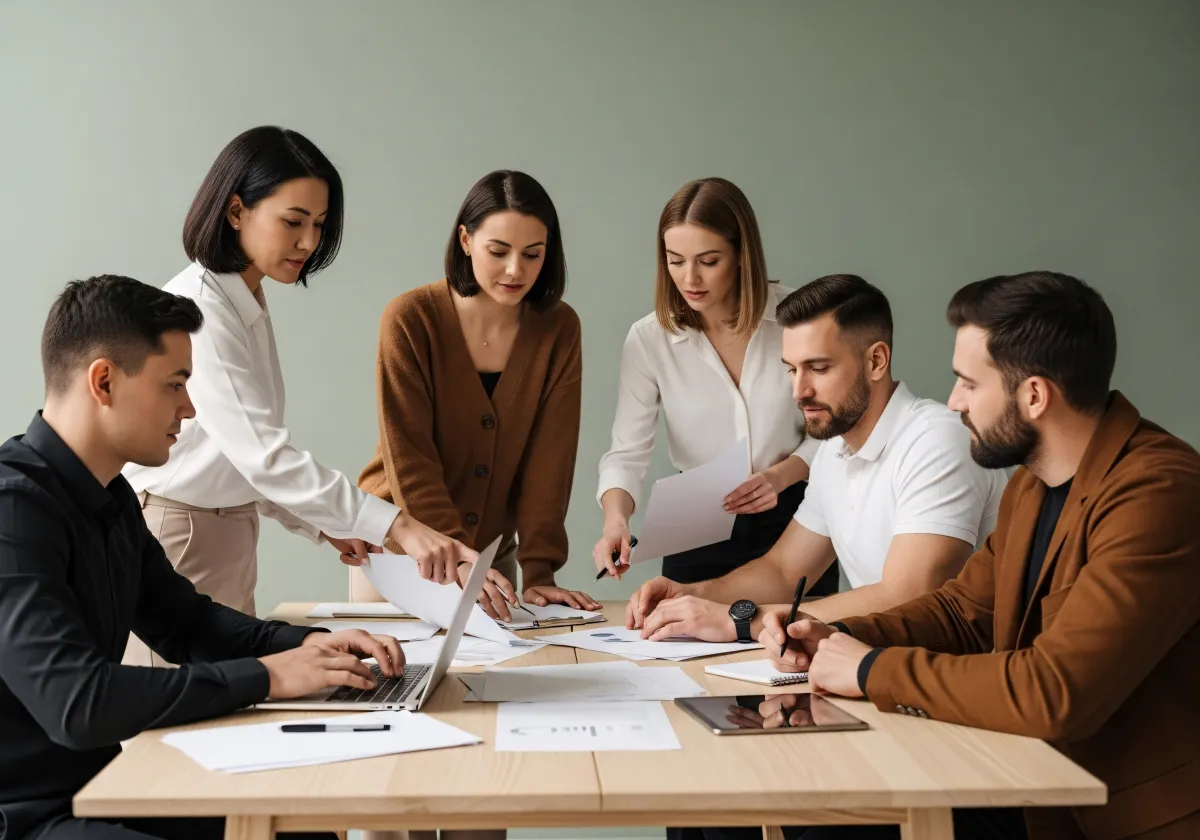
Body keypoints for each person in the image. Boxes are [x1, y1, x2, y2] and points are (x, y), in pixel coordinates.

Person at [770, 272, 1200, 839]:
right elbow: (961, 614)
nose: (954, 402)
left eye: (969, 384)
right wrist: (836, 634)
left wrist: (871, 668)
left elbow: (1055, 691)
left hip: (1125, 819)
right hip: (1031, 785)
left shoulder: (1160, 492)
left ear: (1035, 395)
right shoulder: (1034, 482)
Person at [0, 275, 405, 840]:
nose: (190, 409)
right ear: (104, 381)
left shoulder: (110, 494)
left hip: (102, 791)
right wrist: (266, 677)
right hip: (26, 818)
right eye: (175, 384)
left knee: (304, 826)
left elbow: (187, 623)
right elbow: (78, 703)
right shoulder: (13, 510)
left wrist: (307, 644)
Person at [123, 127, 472, 666]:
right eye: (293, 221)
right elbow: (263, 456)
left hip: (227, 528)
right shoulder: (201, 310)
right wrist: (396, 524)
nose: (309, 242)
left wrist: (327, 525)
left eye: (319, 225)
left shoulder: (245, 300)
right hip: (183, 533)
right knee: (176, 736)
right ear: (236, 211)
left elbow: (244, 459)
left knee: (222, 719)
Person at [625, 275, 1007, 645]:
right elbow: (784, 570)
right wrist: (693, 593)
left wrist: (741, 621)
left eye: (818, 368)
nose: (799, 391)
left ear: (876, 360)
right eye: (792, 369)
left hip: (967, 683)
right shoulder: (833, 452)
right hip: (884, 669)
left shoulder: (937, 439)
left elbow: (908, 595)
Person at [352, 170, 598, 622]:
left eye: (533, 254)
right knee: (401, 681)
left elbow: (551, 460)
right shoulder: (411, 319)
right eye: (498, 251)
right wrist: (455, 554)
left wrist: (540, 572)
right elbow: (409, 455)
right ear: (465, 240)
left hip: (489, 557)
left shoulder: (558, 328)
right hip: (403, 550)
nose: (515, 270)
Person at [593, 177, 838, 598]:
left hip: (799, 519)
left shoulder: (799, 319)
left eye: (708, 260)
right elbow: (627, 451)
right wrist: (616, 522)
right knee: (679, 646)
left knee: (792, 652)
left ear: (742, 254)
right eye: (675, 260)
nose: (690, 278)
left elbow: (837, 430)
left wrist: (782, 475)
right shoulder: (649, 339)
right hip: (695, 525)